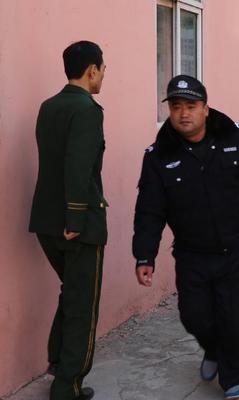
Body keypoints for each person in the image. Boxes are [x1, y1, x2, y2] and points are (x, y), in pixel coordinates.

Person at [133, 75, 239, 399]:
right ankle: (214, 349)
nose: (183, 113)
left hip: (235, 247)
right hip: (192, 253)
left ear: (205, 108)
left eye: (191, 106)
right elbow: (149, 210)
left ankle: (233, 374)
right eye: (176, 106)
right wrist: (144, 255)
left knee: (235, 318)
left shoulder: (234, 138)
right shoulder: (158, 156)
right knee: (194, 316)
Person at [29, 40, 107, 400]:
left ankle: (59, 362)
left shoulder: (49, 106)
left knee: (72, 293)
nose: (102, 76)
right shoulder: (87, 110)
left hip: (46, 222)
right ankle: (67, 387)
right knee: (82, 305)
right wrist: (76, 217)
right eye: (102, 69)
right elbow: (77, 165)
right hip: (78, 225)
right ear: (92, 70)